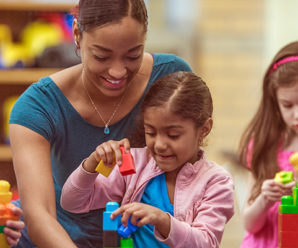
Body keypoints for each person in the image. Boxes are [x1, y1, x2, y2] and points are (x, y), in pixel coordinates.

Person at [8, 0, 192, 247]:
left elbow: (189, 182)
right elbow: (39, 216)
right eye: (102, 56)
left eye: (132, 55)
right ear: (76, 34)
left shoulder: (171, 79)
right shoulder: (37, 106)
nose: (118, 71)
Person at [60, 71, 235, 248]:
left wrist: (162, 220)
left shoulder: (216, 181)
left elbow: (206, 243)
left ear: (204, 129)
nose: (159, 144)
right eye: (150, 132)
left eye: (173, 135)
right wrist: (92, 164)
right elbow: (72, 202)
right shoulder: (134, 163)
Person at [238, 41, 298, 248]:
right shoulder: (265, 143)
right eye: (287, 105)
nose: (296, 115)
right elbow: (250, 224)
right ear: (275, 101)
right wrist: (265, 198)